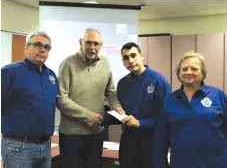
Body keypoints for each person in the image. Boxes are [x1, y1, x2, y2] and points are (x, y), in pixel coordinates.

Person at [56, 28, 124, 168]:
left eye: (96, 44)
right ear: (81, 42)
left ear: (101, 45)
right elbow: (61, 99)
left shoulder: (105, 63)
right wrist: (89, 116)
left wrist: (116, 106)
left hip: (95, 134)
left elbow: (110, 92)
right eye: (88, 43)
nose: (92, 47)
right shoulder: (67, 63)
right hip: (71, 135)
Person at [152, 51, 227, 168]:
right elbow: (160, 138)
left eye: (194, 69)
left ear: (203, 73)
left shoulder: (218, 96)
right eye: (184, 69)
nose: (189, 72)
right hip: (181, 164)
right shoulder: (169, 100)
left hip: (216, 163)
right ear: (179, 73)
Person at [105, 42, 171, 168]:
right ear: (123, 61)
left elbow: (167, 118)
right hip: (128, 140)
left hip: (152, 140)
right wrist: (102, 118)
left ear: (141, 55)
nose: (130, 60)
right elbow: (122, 114)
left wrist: (141, 123)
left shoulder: (158, 81)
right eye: (126, 58)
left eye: (133, 55)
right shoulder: (123, 84)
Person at [1, 31, 58, 168]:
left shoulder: (51, 75)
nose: (42, 49)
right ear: (26, 48)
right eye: (38, 45)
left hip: (45, 145)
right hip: (19, 147)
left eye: (47, 47)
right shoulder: (9, 72)